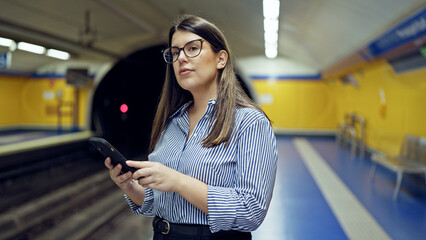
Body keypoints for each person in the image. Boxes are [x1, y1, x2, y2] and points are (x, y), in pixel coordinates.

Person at [105, 14, 277, 240]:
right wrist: (129, 186)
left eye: (192, 48)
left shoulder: (249, 123)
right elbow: (160, 202)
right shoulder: (173, 121)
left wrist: (178, 181)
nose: (181, 59)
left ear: (221, 59)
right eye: (174, 53)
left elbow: (251, 211)